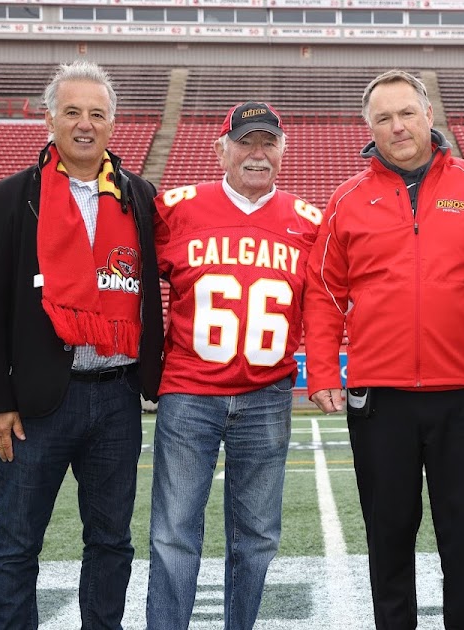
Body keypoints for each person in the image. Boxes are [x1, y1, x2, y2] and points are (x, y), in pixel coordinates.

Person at [305, 69, 464, 629]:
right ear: (368, 128)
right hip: (380, 395)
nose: (397, 127)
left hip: (463, 390)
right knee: (388, 535)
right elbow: (324, 291)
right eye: (383, 118)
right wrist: (323, 367)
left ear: (429, 115)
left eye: (406, 113)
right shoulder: (347, 199)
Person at [0, 59, 163, 630]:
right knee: (17, 540)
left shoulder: (139, 196)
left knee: (111, 542)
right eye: (72, 111)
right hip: (36, 402)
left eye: (97, 114)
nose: (84, 124)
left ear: (112, 124)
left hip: (117, 397)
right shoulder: (7, 198)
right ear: (49, 117)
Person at [146, 102, 321, 630]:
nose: (257, 153)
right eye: (245, 142)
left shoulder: (308, 221)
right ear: (220, 150)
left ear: (284, 153)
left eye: (268, 143)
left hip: (267, 394)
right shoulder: (175, 209)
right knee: (174, 532)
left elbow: (328, 303)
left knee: (258, 536)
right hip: (188, 393)